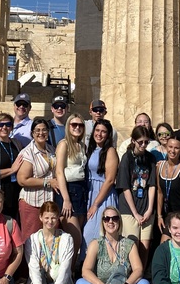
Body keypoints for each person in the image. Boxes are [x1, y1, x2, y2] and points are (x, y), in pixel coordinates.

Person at [6, 201, 82, 284]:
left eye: (53, 218)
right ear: (40, 217)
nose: (50, 221)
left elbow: (64, 270)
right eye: (46, 217)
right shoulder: (32, 239)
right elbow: (33, 269)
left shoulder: (66, 239)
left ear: (57, 218)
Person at [76, 206, 150, 284]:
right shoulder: (95, 244)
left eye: (114, 218)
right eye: (107, 219)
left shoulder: (129, 244)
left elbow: (138, 270)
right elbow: (86, 271)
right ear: (103, 222)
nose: (111, 221)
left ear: (119, 222)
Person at [117, 126, 157, 264]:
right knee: (131, 245)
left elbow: (152, 185)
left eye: (146, 142)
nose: (143, 145)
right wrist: (135, 213)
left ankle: (142, 275)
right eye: (140, 142)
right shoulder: (127, 157)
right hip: (129, 207)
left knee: (145, 246)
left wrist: (150, 209)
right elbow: (125, 187)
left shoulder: (151, 158)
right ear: (133, 141)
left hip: (146, 205)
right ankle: (130, 275)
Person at [54, 113, 88, 264]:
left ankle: (71, 273)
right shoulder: (64, 144)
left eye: (80, 125)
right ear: (68, 126)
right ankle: (66, 273)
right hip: (67, 190)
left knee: (77, 240)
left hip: (80, 190)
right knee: (75, 239)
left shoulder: (82, 145)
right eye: (73, 124)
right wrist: (66, 199)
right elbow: (59, 171)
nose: (77, 127)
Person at [82, 119, 120, 249]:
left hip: (103, 196)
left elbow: (109, 180)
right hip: (90, 193)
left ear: (108, 135)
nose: (99, 134)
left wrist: (95, 204)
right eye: (97, 130)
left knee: (94, 233)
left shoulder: (110, 151)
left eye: (103, 132)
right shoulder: (90, 149)